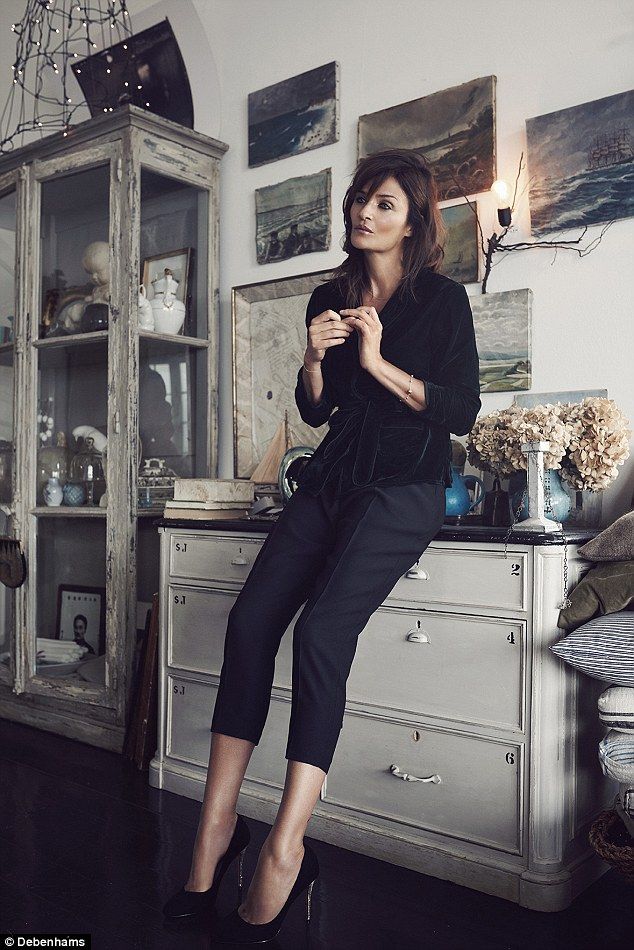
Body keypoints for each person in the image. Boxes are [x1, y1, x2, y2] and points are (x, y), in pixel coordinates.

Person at [162, 148, 481, 942]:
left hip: (404, 488)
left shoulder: (442, 302)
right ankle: (215, 826)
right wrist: (314, 357)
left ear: (414, 221)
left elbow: (462, 411)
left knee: (322, 632)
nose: (363, 214)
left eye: (383, 204)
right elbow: (317, 412)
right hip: (334, 477)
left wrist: (376, 359)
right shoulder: (330, 295)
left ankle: (284, 845)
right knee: (248, 624)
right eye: (359, 202)